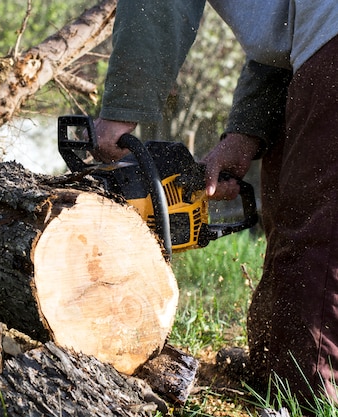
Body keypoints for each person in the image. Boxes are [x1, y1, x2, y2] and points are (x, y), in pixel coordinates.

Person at [94, 0, 338, 405]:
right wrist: (243, 133)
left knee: (318, 230)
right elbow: (285, 38)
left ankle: (307, 397)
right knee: (291, 208)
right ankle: (276, 366)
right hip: (315, 48)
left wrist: (122, 111)